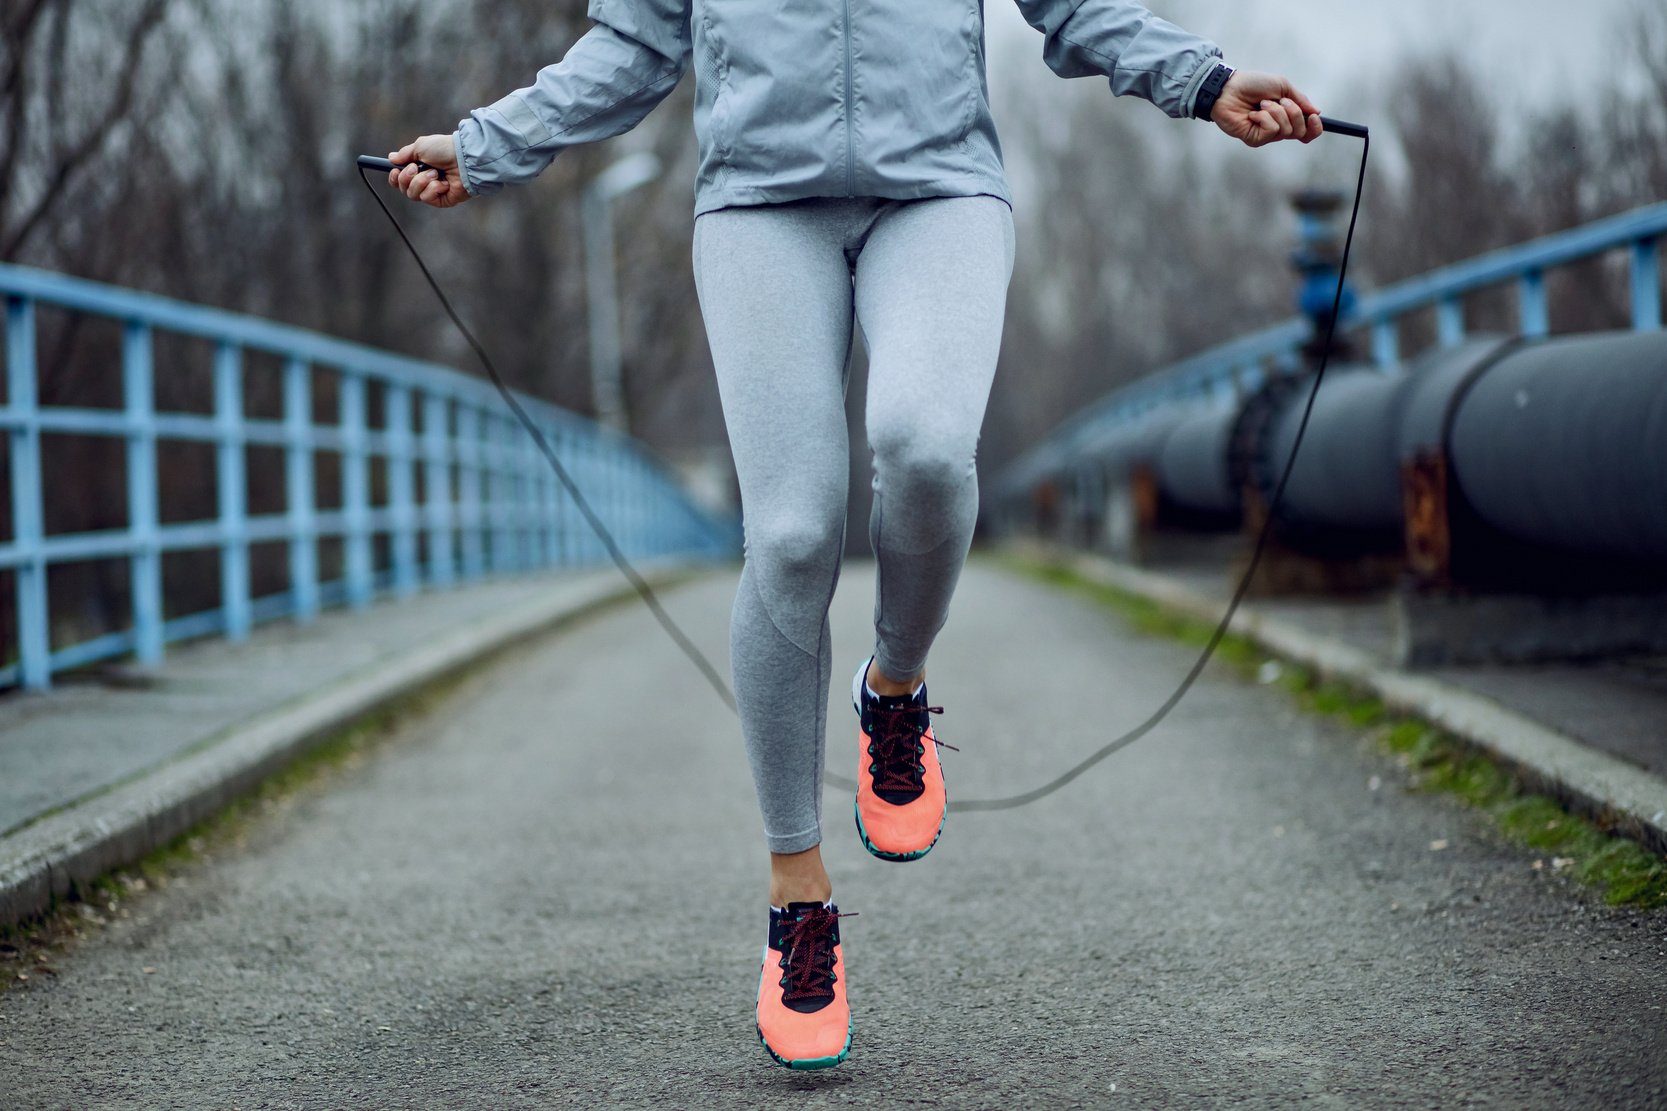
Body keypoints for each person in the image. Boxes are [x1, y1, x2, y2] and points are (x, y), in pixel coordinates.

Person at [385, 0, 1322, 1071]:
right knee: (786, 533)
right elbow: (639, 43)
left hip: (937, 190)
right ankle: (798, 895)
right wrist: (486, 145)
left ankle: (893, 688)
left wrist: (1202, 81)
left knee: (923, 447)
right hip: (757, 209)